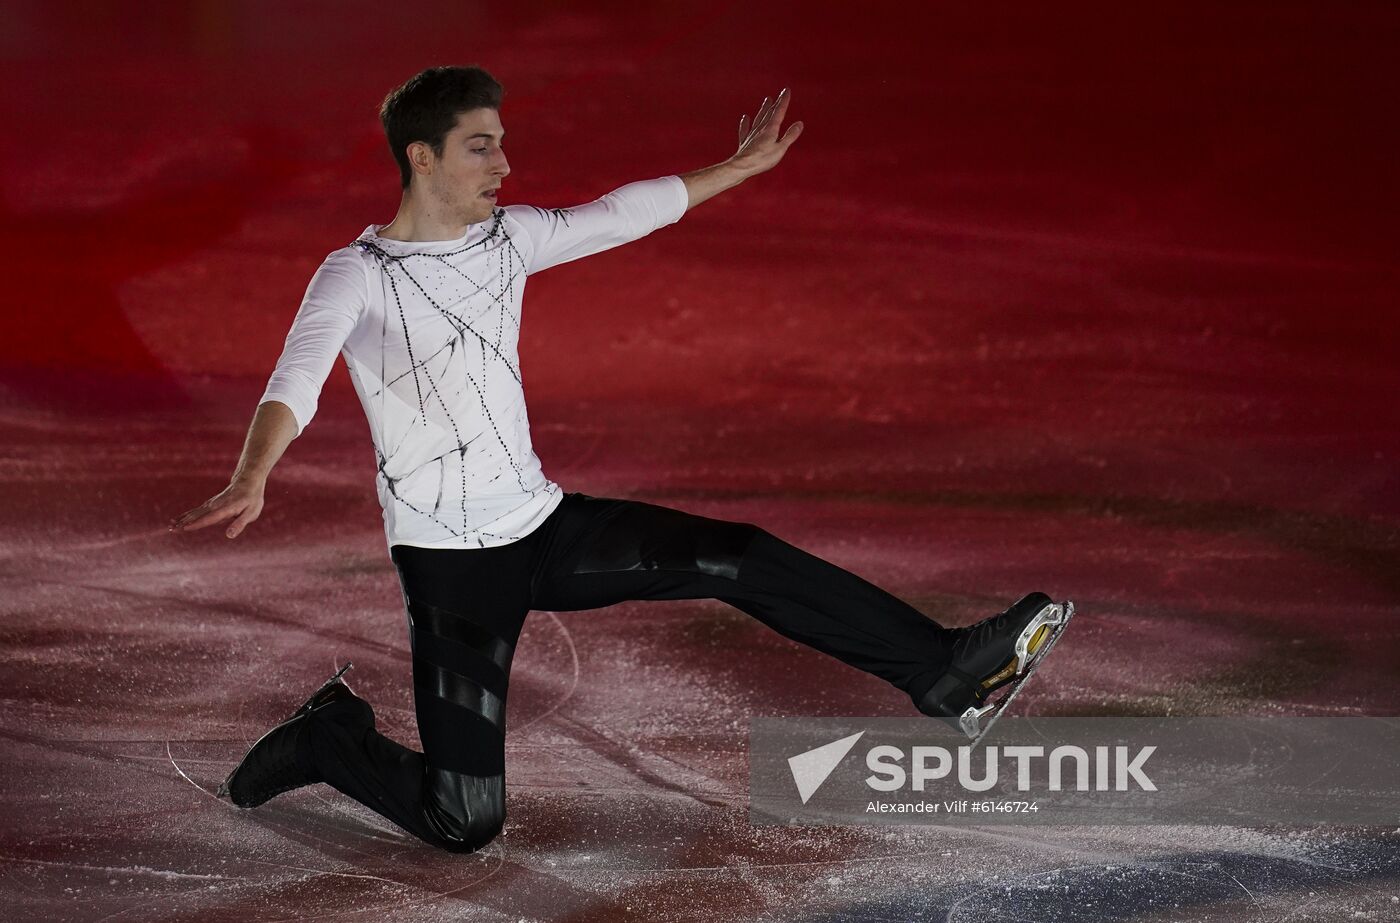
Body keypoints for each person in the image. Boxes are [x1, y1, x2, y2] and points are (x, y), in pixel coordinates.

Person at [170, 65, 1071, 854]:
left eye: (502, 145)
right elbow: (299, 375)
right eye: (481, 147)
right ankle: (330, 736)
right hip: (452, 569)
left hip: (545, 525)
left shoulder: (508, 238)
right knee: (463, 821)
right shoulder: (357, 273)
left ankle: (941, 669)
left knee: (735, 554)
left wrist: (737, 167)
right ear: (422, 157)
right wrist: (255, 471)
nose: (504, 166)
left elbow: (619, 214)